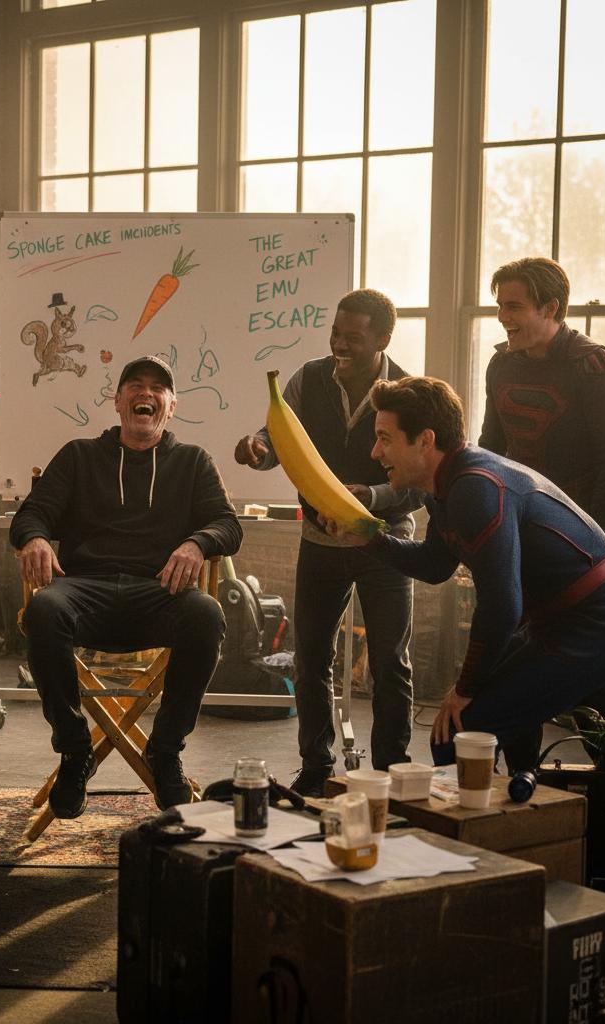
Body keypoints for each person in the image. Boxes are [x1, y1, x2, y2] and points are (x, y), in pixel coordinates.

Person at [325, 376, 605, 772]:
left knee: (459, 730)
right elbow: (435, 565)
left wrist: (464, 689)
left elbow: (501, 608)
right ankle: (523, 794)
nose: (375, 451)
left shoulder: (474, 488)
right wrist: (370, 539)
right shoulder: (446, 484)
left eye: (385, 438)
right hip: (561, 619)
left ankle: (516, 799)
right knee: (501, 720)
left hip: (595, 619)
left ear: (425, 440)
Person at [11, 355, 242, 818]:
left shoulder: (193, 462)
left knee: (206, 614)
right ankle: (75, 749)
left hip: (158, 592)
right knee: (43, 610)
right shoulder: (79, 455)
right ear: (117, 401)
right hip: (84, 590)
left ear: (171, 406)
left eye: (158, 388)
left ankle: (165, 749)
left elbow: (227, 525)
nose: (146, 393)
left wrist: (198, 543)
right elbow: (31, 515)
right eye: (135, 385)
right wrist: (35, 538)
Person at [234, 289, 418, 796]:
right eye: (336, 333)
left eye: (353, 337)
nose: (339, 344)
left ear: (383, 340)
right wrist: (258, 448)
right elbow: (279, 438)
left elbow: (422, 480)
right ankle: (316, 767)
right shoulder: (308, 380)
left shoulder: (407, 393)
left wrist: (372, 498)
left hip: (385, 542)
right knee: (312, 660)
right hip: (320, 540)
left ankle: (391, 773)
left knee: (390, 663)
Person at [480, 256, 605, 721]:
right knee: (508, 660)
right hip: (519, 532)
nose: (502, 317)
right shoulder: (501, 365)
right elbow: (489, 451)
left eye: (514, 306)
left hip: (579, 543)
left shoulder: (596, 368)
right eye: (500, 305)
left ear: (551, 308)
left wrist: (596, 544)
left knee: (588, 673)